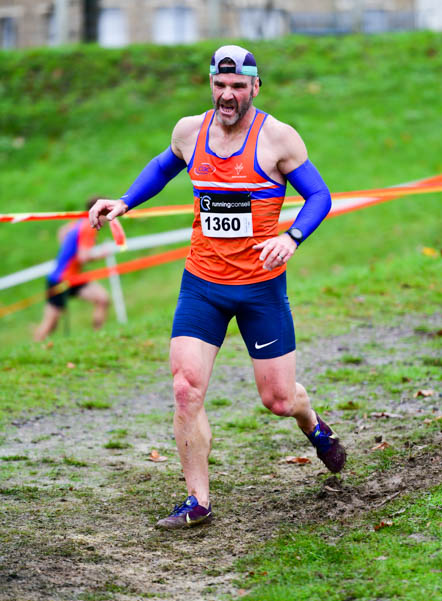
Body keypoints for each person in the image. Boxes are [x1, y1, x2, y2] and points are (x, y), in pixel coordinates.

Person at [89, 45, 346, 529]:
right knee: (185, 388)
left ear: (255, 87)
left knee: (278, 400)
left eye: (238, 86)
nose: (227, 95)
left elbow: (319, 195)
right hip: (202, 285)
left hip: (260, 289)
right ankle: (198, 501)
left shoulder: (278, 138)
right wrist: (124, 201)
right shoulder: (190, 132)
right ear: (211, 84)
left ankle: (311, 422)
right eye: (220, 85)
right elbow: (164, 166)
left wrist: (291, 237)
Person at [34, 197, 110, 341]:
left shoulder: (79, 222)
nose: (109, 218)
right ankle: (36, 345)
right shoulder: (88, 227)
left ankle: (98, 336)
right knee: (50, 324)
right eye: (107, 213)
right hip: (60, 279)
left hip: (73, 277)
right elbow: (83, 257)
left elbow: (62, 232)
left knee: (102, 299)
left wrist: (68, 249)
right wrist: (102, 254)